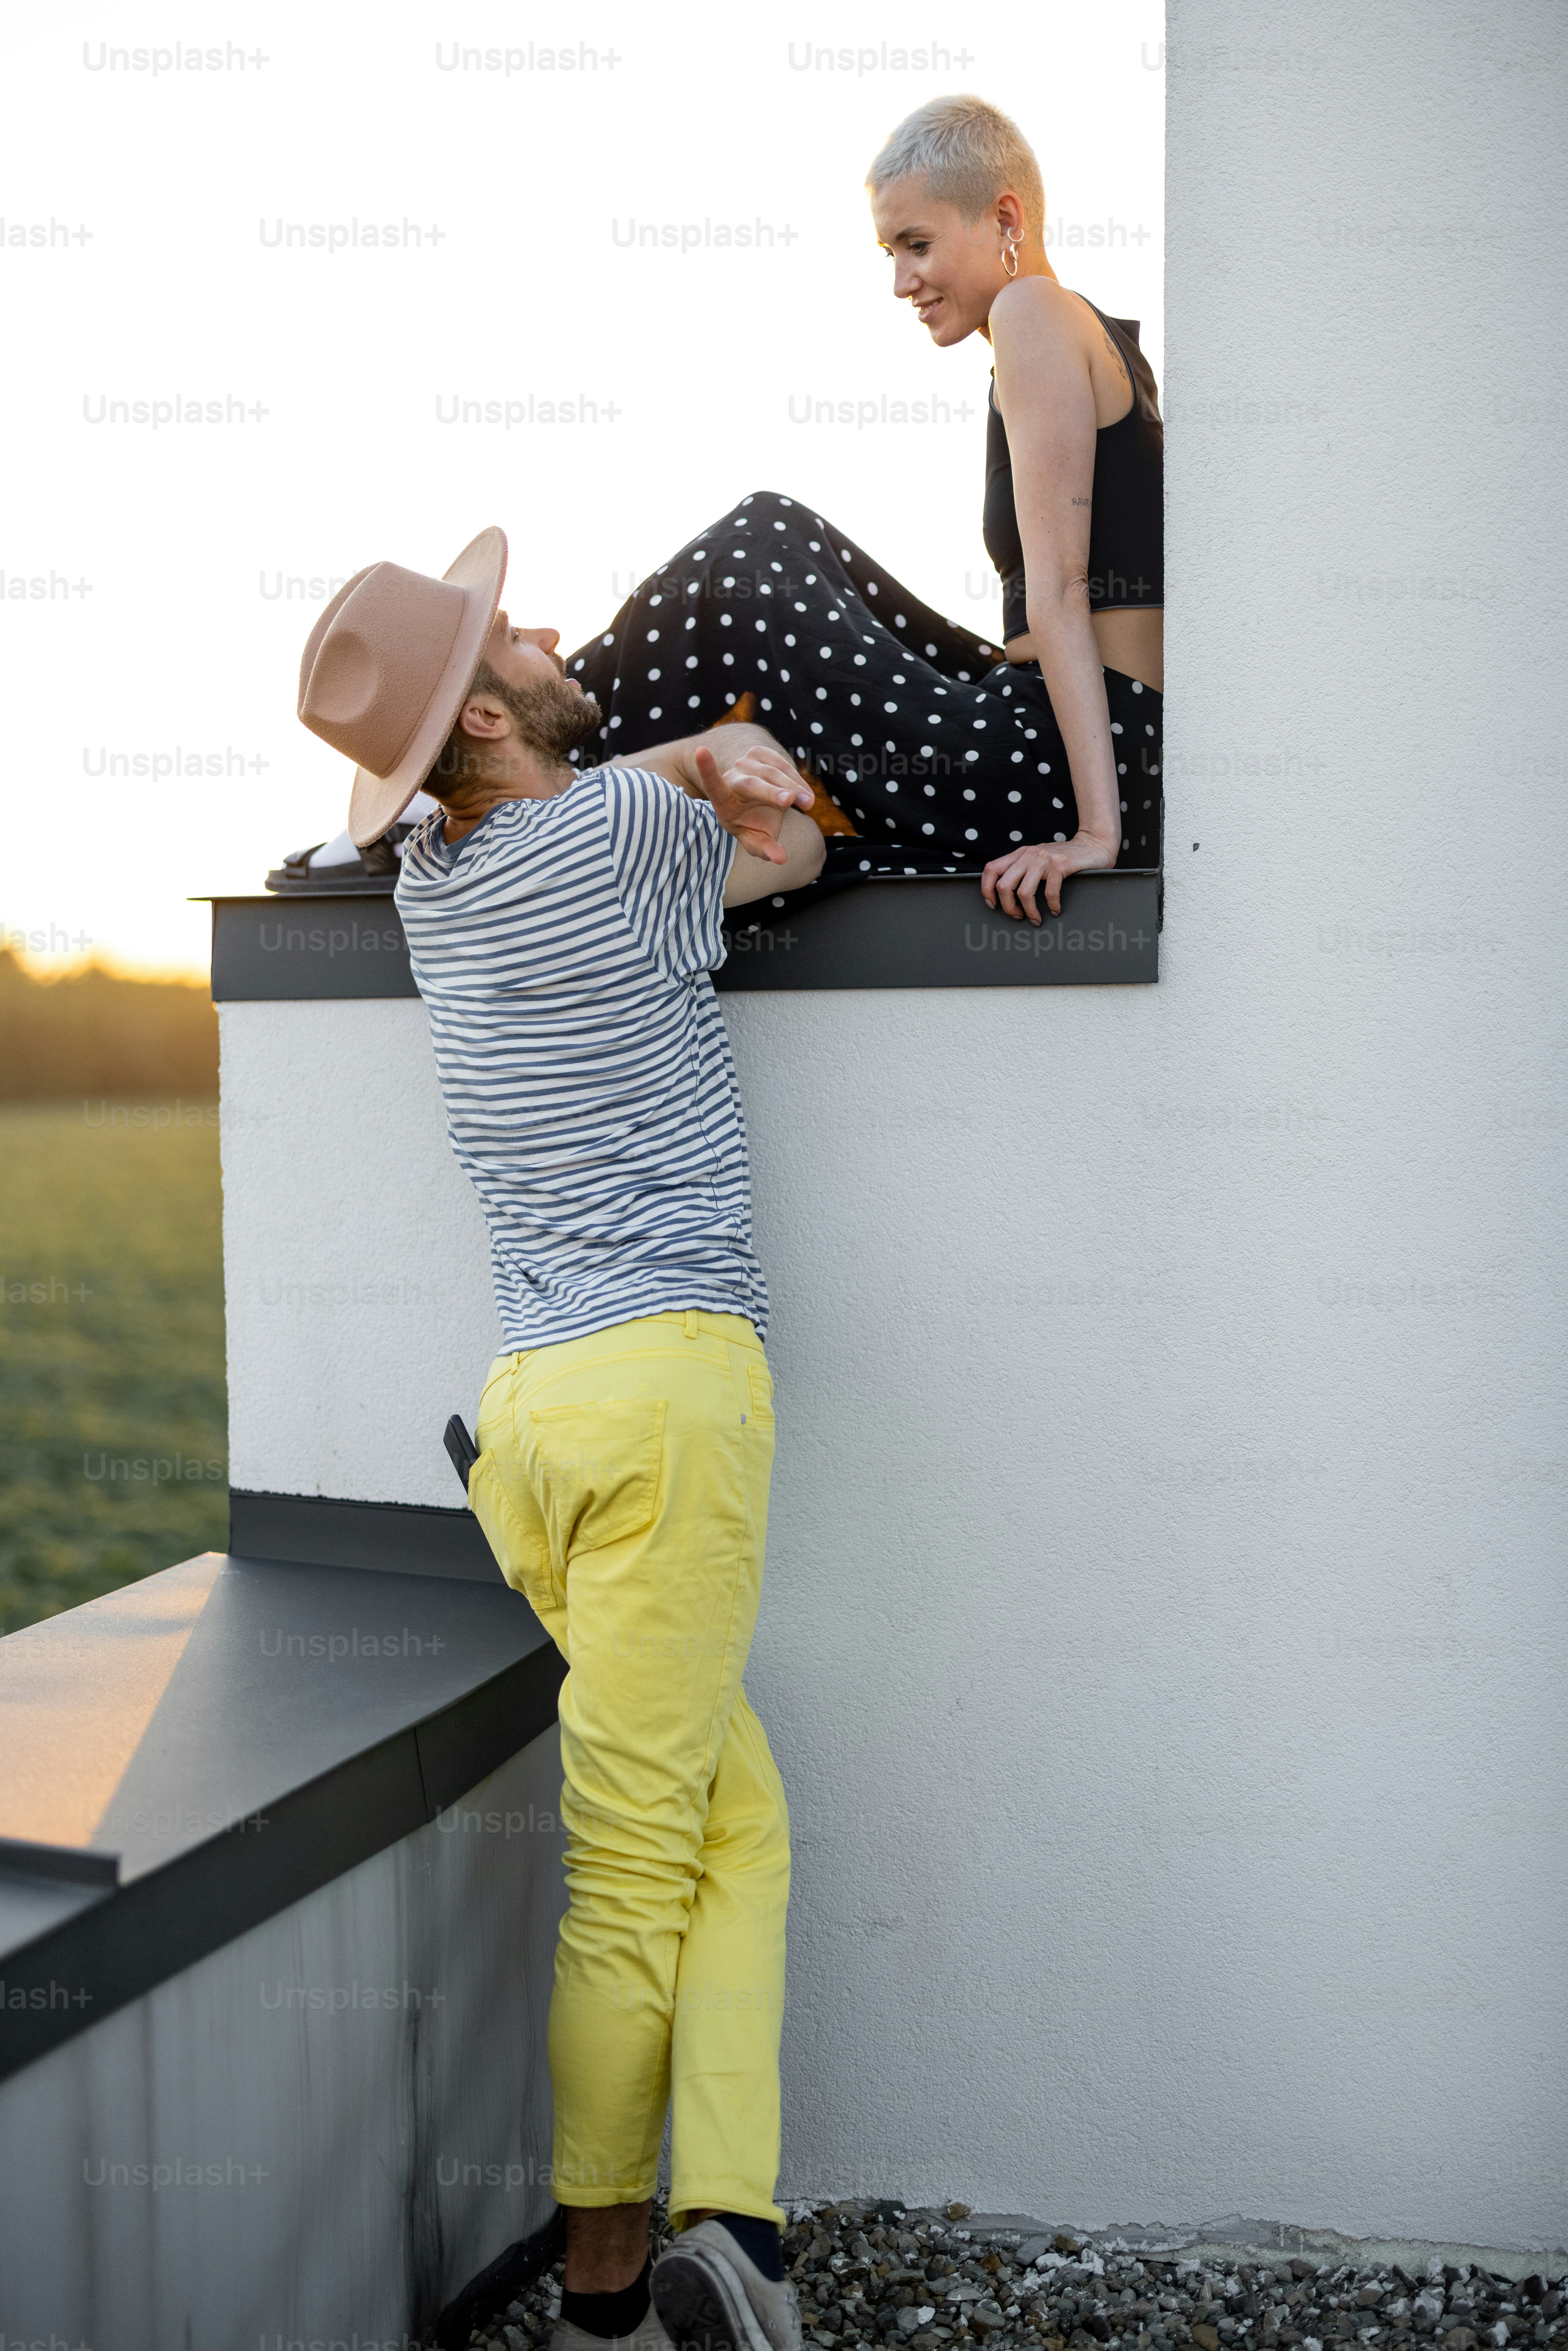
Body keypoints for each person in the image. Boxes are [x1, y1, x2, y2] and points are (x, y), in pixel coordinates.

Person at [296, 529, 822, 2351]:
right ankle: (629, 2294)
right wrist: (744, 766)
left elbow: (623, 796)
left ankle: (729, 2227)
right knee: (631, 1867)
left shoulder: (438, 889)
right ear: (497, 713)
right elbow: (801, 849)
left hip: (529, 1424)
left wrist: (689, 764)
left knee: (732, 1828)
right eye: (510, 635)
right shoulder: (610, 838)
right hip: (668, 1398)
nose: (541, 627)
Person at [565, 94, 1163, 925]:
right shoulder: (1100, 336)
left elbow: (1061, 591)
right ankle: (542, 763)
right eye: (890, 252)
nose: (900, 282)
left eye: (917, 246)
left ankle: (526, 770)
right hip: (1070, 739)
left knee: (755, 546)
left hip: (1051, 763)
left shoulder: (1033, 314)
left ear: (1005, 217)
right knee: (786, 533)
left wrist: (1098, 834)